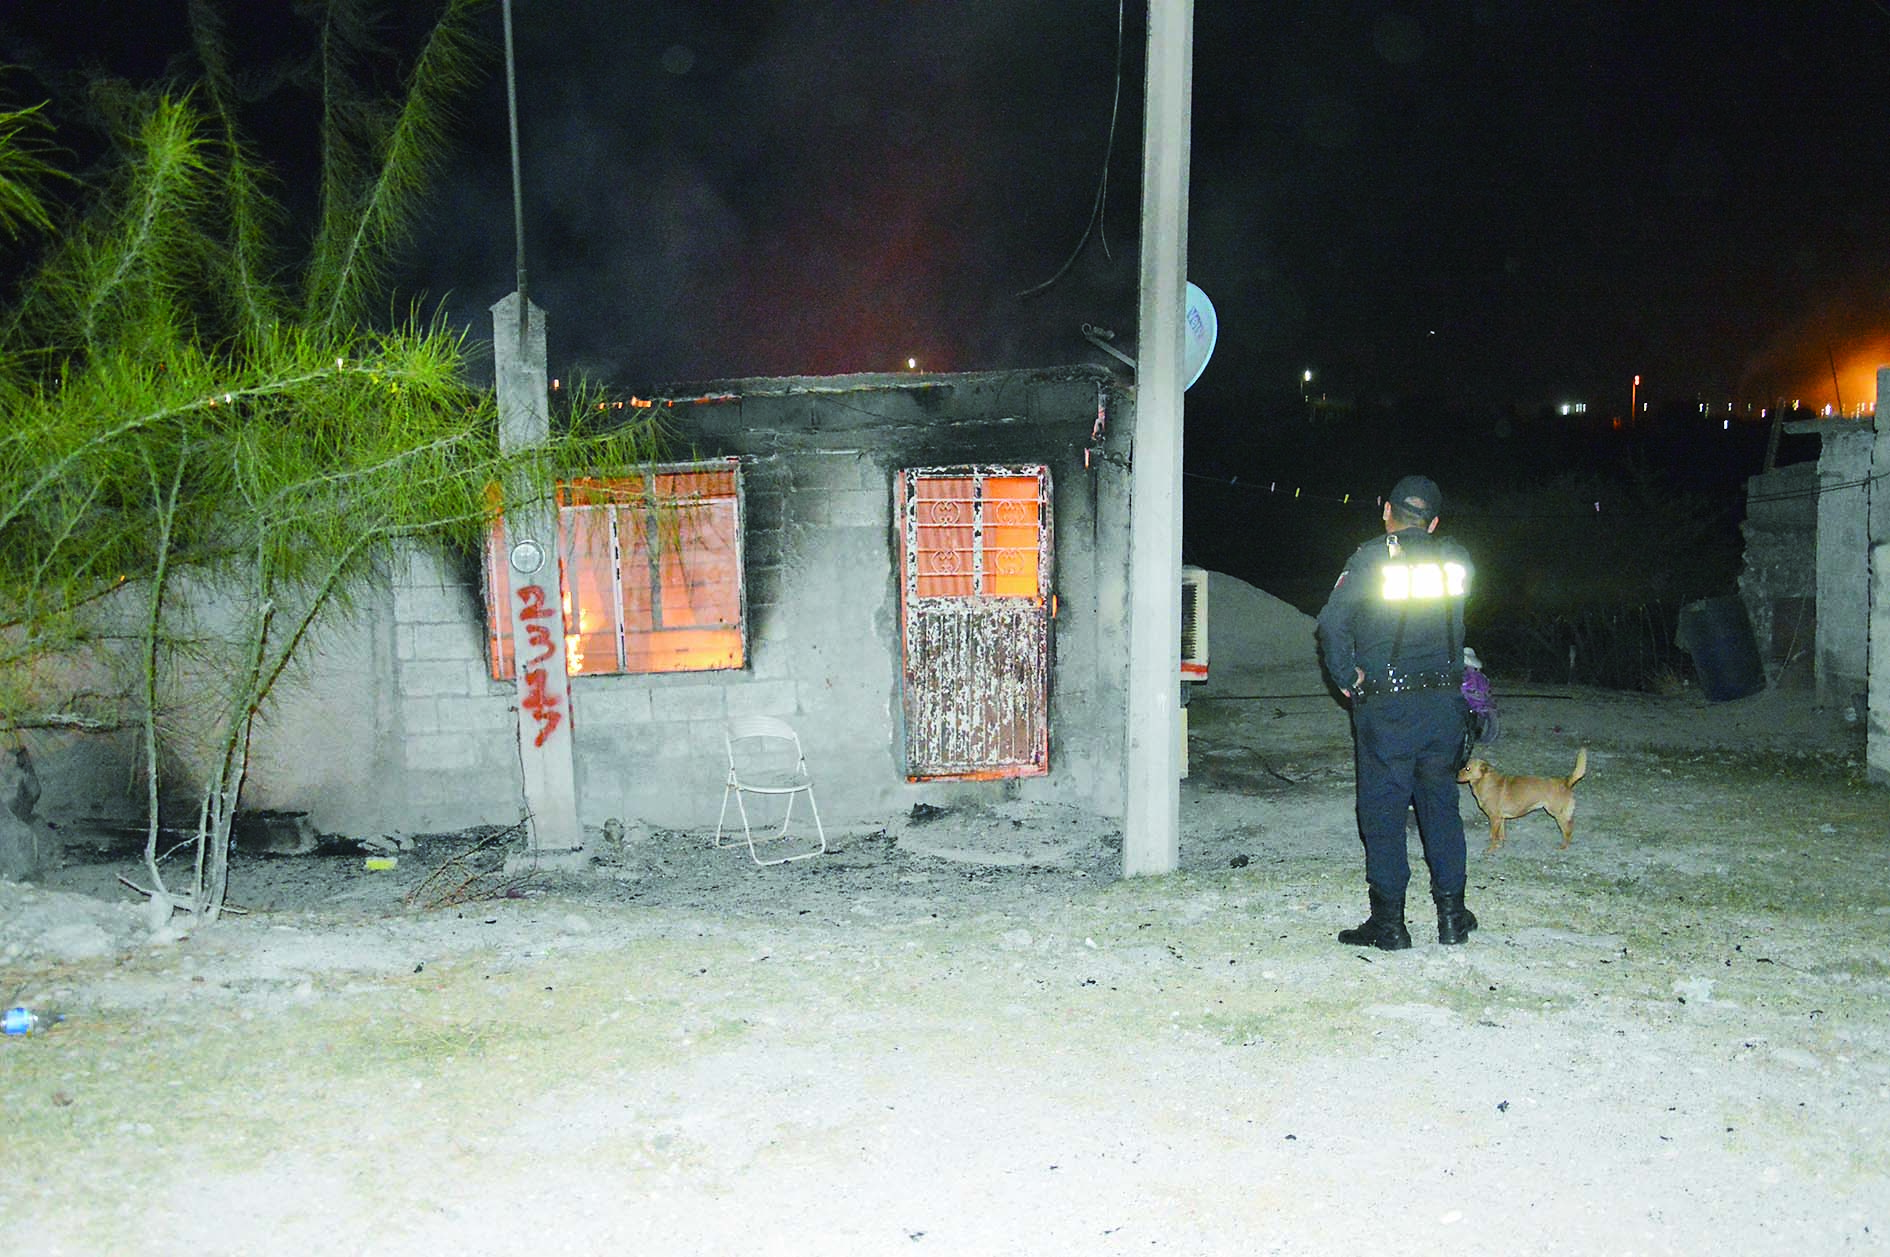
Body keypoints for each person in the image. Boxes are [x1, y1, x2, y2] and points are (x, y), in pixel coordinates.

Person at [1315, 475, 1477, 949]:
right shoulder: (1456, 561)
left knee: (1384, 811)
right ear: (1434, 521)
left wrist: (1346, 676)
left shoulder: (1370, 559)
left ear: (1387, 510)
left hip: (1389, 707)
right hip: (1445, 705)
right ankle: (1452, 917)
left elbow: (1330, 624)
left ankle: (1389, 924)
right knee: (1440, 806)